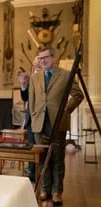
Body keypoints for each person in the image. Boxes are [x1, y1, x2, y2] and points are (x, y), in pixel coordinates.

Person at [29, 47, 84, 205]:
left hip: (58, 122)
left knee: (58, 159)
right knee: (43, 158)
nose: (42, 61)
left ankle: (57, 191)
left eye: (45, 57)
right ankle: (45, 189)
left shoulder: (65, 75)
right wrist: (34, 117)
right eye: (40, 58)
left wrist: (66, 110)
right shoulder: (35, 77)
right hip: (39, 123)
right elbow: (32, 101)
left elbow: (78, 95)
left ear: (54, 57)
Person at [17, 57, 43, 182]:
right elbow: (25, 97)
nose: (37, 65)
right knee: (31, 147)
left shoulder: (47, 79)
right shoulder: (31, 78)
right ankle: (32, 173)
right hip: (31, 120)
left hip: (44, 119)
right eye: (35, 63)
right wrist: (23, 84)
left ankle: (43, 174)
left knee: (42, 149)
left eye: (40, 62)